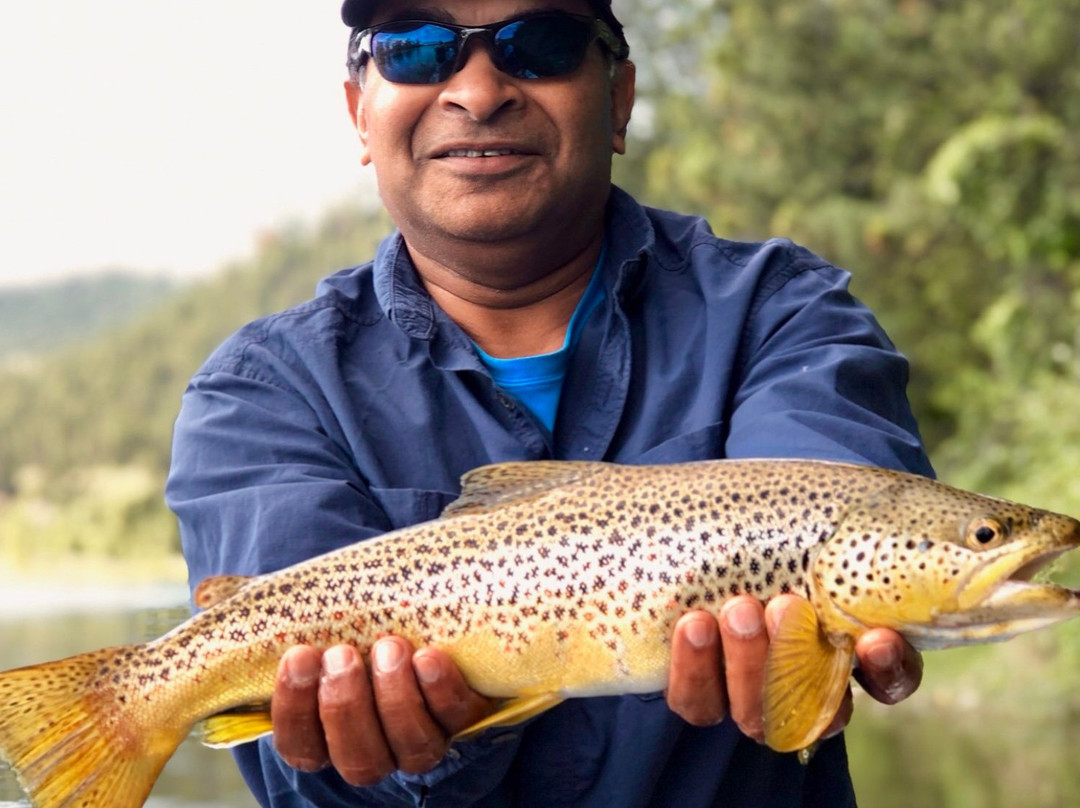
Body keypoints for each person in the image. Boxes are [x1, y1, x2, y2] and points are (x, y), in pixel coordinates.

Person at [166, 0, 931, 805]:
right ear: (361, 114)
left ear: (620, 99)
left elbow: (841, 511)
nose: (478, 90)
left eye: (541, 45)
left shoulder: (782, 312)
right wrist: (421, 741)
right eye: (416, 49)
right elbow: (305, 774)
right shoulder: (258, 393)